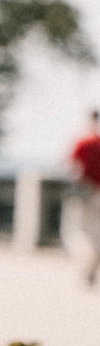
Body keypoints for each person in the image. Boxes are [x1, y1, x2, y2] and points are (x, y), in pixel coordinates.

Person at [72, 108, 100, 286]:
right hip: (98, 191)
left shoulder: (83, 141)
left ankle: (89, 262)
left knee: (82, 231)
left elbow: (73, 166)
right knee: (95, 231)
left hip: (86, 190)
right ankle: (93, 261)